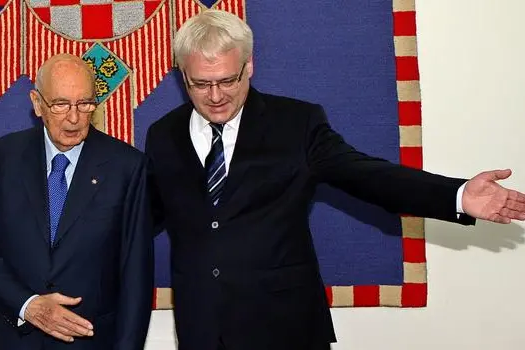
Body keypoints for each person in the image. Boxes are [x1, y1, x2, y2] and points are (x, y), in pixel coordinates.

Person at [144, 9, 525, 350]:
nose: (215, 96)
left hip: (286, 329)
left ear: (250, 66)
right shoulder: (164, 134)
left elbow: (368, 176)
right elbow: (145, 215)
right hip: (201, 330)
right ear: (182, 75)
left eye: (228, 80)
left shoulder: (297, 123)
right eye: (200, 84)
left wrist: (456, 195)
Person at [0, 54, 153, 350]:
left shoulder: (127, 167)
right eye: (61, 104)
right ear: (37, 103)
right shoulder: (5, 156)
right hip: (14, 339)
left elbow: (136, 277)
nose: (74, 118)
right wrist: (29, 305)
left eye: (85, 104)